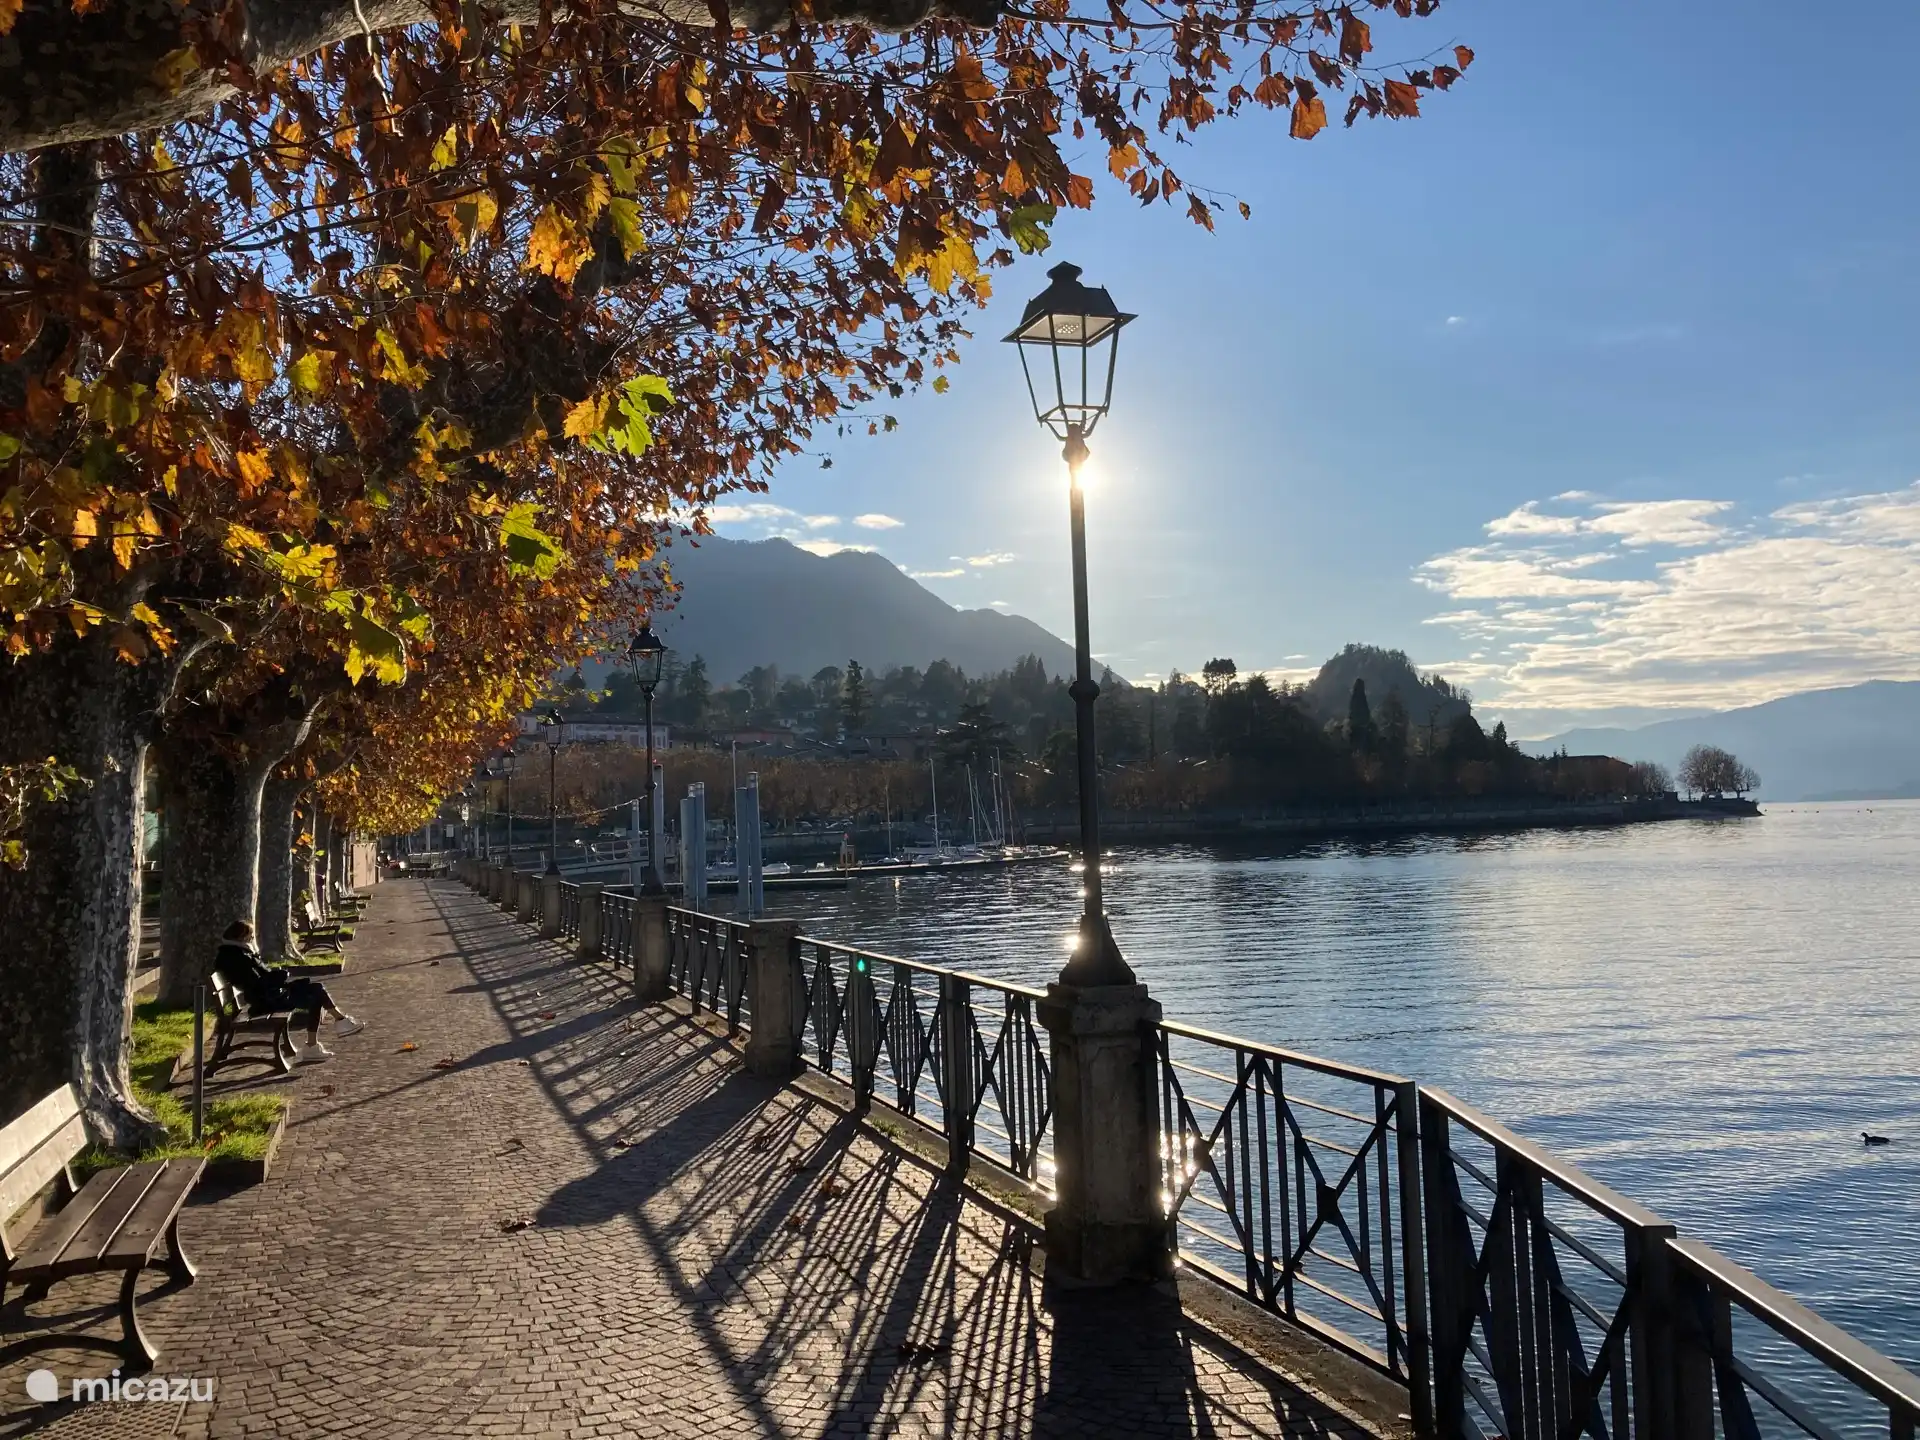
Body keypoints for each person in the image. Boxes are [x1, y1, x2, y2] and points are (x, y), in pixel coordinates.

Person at [214, 919, 364, 1064]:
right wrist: (279, 976)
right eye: (250, 936)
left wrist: (275, 975)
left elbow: (257, 979)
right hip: (266, 1000)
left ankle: (333, 1027)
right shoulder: (237, 957)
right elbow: (256, 983)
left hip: (267, 995)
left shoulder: (235, 953)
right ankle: (329, 1032)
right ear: (241, 936)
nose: (252, 938)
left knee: (316, 990)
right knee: (316, 994)